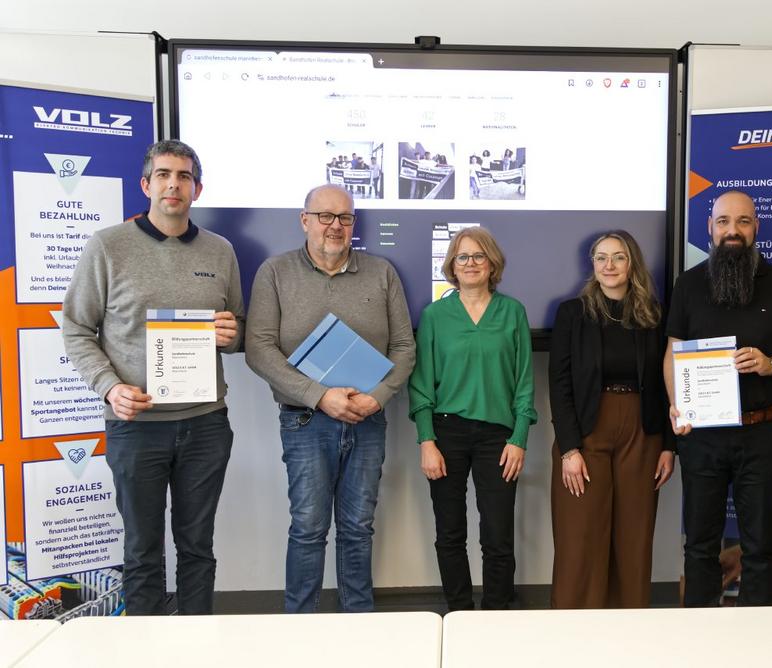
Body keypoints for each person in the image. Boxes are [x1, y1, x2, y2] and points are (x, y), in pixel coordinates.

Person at [62, 139, 243, 615]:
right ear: (146, 185)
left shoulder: (221, 251)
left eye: (184, 177)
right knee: (142, 551)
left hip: (205, 424)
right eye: (163, 175)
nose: (173, 185)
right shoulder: (108, 246)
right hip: (136, 427)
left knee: (197, 548)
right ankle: (144, 647)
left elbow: (238, 328)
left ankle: (197, 639)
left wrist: (232, 334)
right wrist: (110, 387)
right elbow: (76, 329)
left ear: (197, 189)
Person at [245, 184, 415, 613]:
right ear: (305, 220)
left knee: (358, 527)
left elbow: (404, 348)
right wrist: (320, 396)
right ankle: (300, 624)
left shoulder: (382, 272)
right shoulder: (275, 272)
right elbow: (259, 349)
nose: (335, 226)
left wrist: (378, 398)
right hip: (304, 421)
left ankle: (357, 620)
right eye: (325, 216)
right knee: (308, 527)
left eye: (345, 217)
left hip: (367, 419)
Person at [664, 190, 772, 607]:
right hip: (701, 435)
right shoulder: (689, 284)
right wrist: (676, 405)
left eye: (743, 221)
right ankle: (697, 627)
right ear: (710, 228)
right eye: (723, 221)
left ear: (756, 227)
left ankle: (759, 633)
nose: (733, 230)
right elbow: (673, 352)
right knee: (699, 543)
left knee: (761, 544)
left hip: (761, 432)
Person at [408, 226, 536, 611]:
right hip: (446, 433)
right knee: (450, 534)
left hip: (499, 438)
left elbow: (524, 383)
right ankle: (460, 612)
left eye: (479, 256)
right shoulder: (435, 316)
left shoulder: (513, 312)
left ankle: (495, 615)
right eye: (462, 256)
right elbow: (421, 385)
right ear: (452, 265)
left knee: (498, 536)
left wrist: (519, 438)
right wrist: (427, 441)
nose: (470, 263)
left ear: (492, 263)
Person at [549, 231, 674, 608]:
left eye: (618, 257)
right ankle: (575, 624)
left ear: (632, 263)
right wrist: (569, 449)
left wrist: (669, 447)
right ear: (592, 265)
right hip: (586, 433)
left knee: (634, 536)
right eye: (601, 257)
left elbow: (666, 383)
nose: (609, 265)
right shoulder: (572, 313)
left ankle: (629, 622)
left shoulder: (653, 314)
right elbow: (559, 382)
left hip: (643, 432)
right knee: (581, 535)